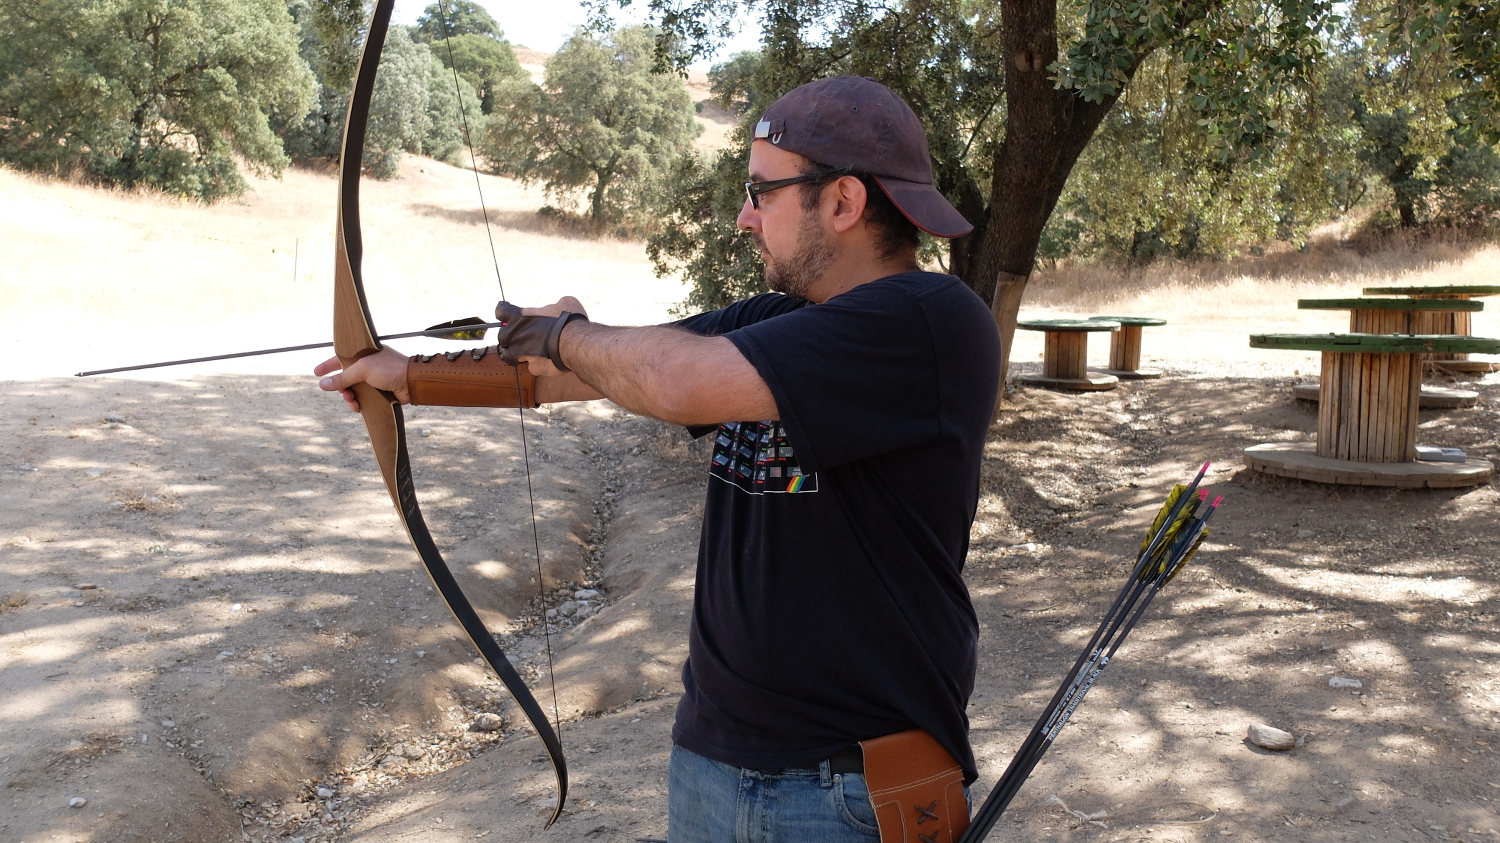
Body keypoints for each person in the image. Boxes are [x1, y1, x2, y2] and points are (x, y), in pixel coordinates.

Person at [316, 75, 1000, 843]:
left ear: (842, 201)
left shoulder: (929, 322)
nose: (745, 217)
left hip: (846, 789)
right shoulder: (781, 317)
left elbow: (675, 380)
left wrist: (564, 334)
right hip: (713, 763)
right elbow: (594, 371)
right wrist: (402, 377)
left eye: (761, 191)